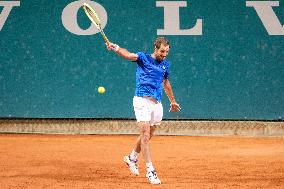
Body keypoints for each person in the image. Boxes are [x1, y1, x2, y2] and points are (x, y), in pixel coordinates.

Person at [106, 37, 181, 185]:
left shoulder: (165, 65)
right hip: (141, 100)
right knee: (145, 135)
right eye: (162, 51)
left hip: (157, 104)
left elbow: (166, 83)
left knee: (148, 135)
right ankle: (150, 170)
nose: (164, 54)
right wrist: (116, 47)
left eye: (166, 52)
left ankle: (131, 157)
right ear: (155, 48)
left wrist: (172, 101)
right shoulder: (143, 58)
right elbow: (127, 55)